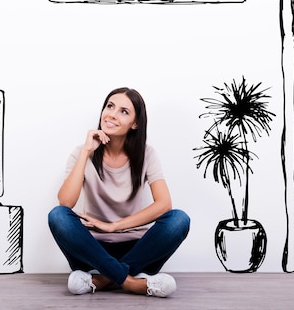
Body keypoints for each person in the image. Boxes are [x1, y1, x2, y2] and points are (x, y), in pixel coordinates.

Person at [48, 87, 190, 297]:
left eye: (124, 111)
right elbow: (65, 202)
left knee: (179, 219)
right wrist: (87, 152)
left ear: (135, 124)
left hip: (137, 249)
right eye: (110, 106)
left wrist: (114, 226)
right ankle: (131, 282)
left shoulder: (147, 154)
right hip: (92, 249)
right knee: (57, 216)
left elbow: (164, 205)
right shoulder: (82, 152)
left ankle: (102, 280)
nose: (112, 114)